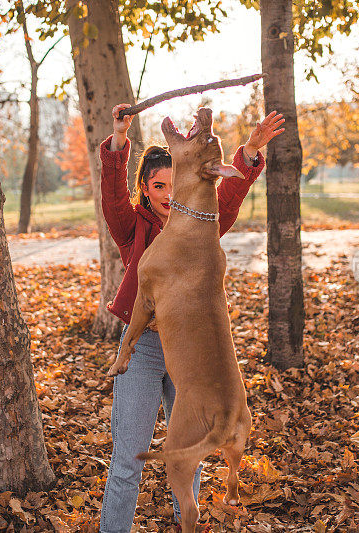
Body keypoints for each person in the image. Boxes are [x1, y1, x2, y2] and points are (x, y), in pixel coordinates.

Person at [99, 103, 284, 532]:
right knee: (128, 460)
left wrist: (250, 152)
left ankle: (188, 521)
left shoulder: (203, 224)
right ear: (145, 189)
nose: (167, 193)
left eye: (173, 183)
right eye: (158, 186)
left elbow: (230, 195)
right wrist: (120, 138)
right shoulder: (133, 226)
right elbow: (111, 192)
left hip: (194, 353)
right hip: (144, 347)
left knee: (190, 455)